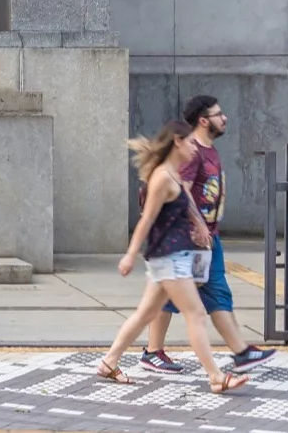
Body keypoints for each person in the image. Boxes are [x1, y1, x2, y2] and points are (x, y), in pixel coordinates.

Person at [93, 122, 248, 395]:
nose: (194, 148)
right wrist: (130, 255)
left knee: (146, 314)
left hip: (173, 256)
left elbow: (184, 206)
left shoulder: (173, 175)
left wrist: (199, 225)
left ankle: (109, 362)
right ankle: (216, 378)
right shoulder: (162, 177)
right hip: (168, 257)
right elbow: (147, 219)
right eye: (190, 143)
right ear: (177, 141)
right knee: (196, 313)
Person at [140, 96, 273, 375]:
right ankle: (239, 352)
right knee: (210, 293)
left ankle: (154, 351)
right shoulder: (194, 152)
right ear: (203, 120)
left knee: (177, 294)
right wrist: (198, 225)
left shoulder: (208, 150)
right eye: (218, 114)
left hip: (207, 237)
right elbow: (182, 189)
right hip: (194, 239)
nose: (224, 118)